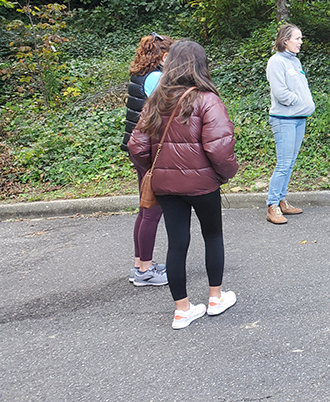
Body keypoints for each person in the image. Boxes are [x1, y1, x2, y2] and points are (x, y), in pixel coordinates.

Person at [128, 40, 239, 329]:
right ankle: (215, 298)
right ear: (201, 64)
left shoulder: (156, 100)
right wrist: (224, 175)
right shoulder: (207, 100)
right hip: (203, 185)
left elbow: (137, 147)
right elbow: (220, 149)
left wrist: (156, 169)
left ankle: (182, 310)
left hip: (166, 186)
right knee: (212, 236)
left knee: (177, 243)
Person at [121, 32, 173, 287]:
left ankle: (140, 264)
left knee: (145, 208)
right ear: (163, 56)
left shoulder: (140, 75)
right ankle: (145, 270)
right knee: (152, 209)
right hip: (148, 149)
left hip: (137, 147)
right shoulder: (156, 78)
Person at [265, 24, 316, 225]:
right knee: (283, 163)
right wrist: (298, 101)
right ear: (285, 40)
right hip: (284, 120)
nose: (300, 42)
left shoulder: (294, 62)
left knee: (291, 162)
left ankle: (282, 200)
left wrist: (304, 104)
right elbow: (280, 92)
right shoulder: (276, 62)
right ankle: (272, 205)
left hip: (298, 119)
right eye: (297, 38)